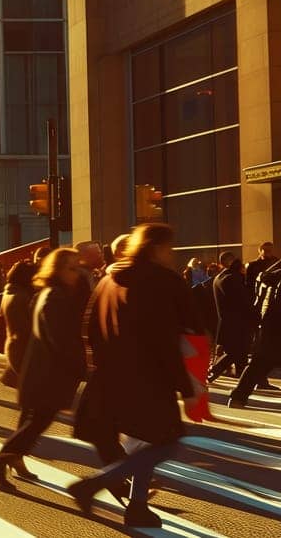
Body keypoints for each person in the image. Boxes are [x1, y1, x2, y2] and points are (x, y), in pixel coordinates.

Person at [69, 223, 202, 528]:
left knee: (146, 441)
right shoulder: (162, 281)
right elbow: (166, 337)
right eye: (169, 248)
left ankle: (138, 506)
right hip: (150, 378)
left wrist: (96, 367)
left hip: (110, 375)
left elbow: (87, 327)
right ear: (156, 248)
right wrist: (187, 386)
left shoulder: (107, 280)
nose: (172, 254)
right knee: (165, 442)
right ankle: (93, 484)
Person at [0, 249, 87, 489]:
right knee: (36, 422)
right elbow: (58, 339)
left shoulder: (47, 293)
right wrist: (79, 369)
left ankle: (5, 462)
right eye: (71, 268)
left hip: (41, 369)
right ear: (58, 270)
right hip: (46, 372)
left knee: (33, 421)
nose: (77, 273)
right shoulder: (53, 296)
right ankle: (0, 462)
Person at [228, 241, 281, 408]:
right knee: (261, 363)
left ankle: (238, 397)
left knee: (260, 363)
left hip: (272, 325)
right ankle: (238, 396)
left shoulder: (276, 270)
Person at [0, 261, 37, 388]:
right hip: (24, 350)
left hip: (15, 347)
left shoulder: (9, 292)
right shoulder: (23, 296)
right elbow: (27, 328)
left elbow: (0, 321)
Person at [208, 254, 255, 383]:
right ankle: (212, 373)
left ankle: (243, 380)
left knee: (239, 354)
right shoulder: (231, 279)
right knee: (235, 353)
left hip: (228, 323)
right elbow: (242, 301)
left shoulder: (219, 278)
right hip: (238, 324)